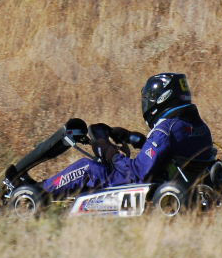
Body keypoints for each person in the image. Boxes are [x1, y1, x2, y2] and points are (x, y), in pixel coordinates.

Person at [41, 73, 213, 196]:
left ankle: (40, 192)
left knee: (87, 167)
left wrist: (109, 152)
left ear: (162, 98)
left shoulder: (165, 129)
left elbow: (138, 173)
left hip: (141, 184)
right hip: (175, 179)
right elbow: (166, 152)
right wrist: (136, 139)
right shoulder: (197, 126)